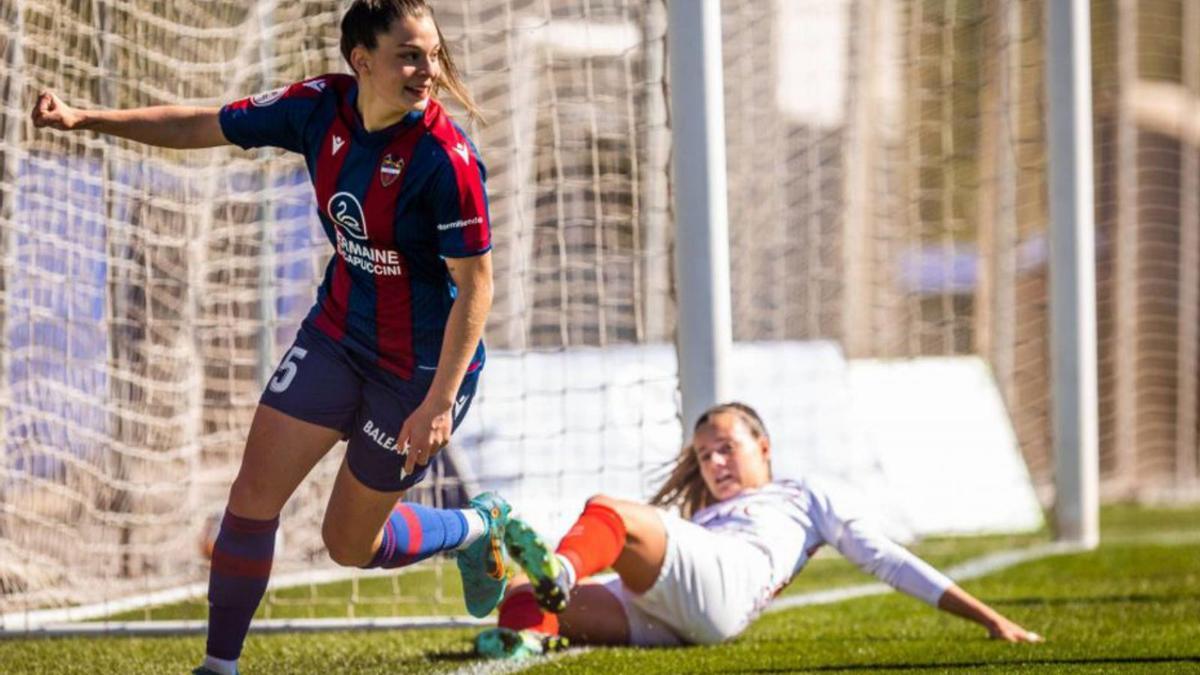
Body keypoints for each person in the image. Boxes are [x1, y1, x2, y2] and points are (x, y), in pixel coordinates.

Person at [31, 2, 507, 674]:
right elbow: (208, 122)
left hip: (417, 373)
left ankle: (474, 526)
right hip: (338, 337)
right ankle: (219, 664)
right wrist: (89, 119)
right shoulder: (318, 106)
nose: (427, 69)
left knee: (347, 543)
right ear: (360, 60)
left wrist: (438, 401)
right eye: (409, 54)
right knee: (252, 496)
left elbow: (478, 286)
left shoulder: (445, 159)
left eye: (432, 53)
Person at [477, 402, 1044, 659]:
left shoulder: (801, 495)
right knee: (521, 597)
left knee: (611, 511)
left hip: (727, 583)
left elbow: (887, 560)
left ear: (764, 446)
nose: (716, 462)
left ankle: (563, 570)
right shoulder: (703, 519)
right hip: (675, 618)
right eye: (704, 455)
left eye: (727, 447)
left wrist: (989, 618)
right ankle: (526, 637)